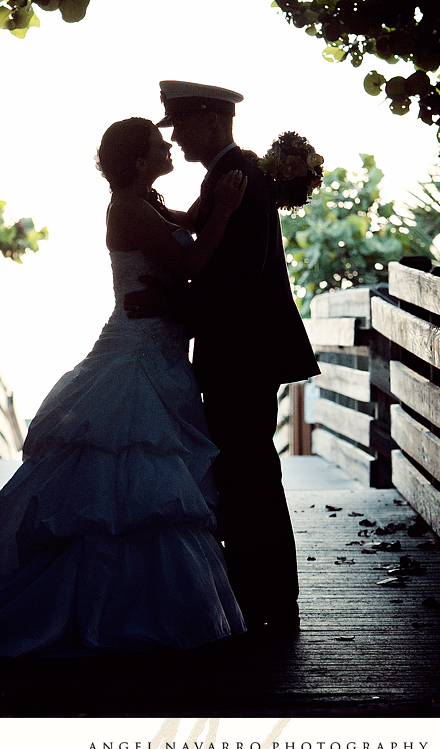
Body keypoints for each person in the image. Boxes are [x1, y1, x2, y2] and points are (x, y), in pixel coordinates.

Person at [0, 117, 248, 658]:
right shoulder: (130, 210)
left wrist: (230, 195)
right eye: (158, 143)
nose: (166, 144)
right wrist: (226, 210)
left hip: (157, 349)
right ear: (137, 160)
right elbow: (190, 261)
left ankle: (133, 602)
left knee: (140, 481)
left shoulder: (146, 203)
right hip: (137, 352)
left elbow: (189, 227)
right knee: (129, 479)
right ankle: (121, 609)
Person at [125, 81, 321, 633]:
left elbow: (236, 276)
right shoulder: (227, 176)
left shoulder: (238, 177)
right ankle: (259, 600)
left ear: (210, 121)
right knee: (244, 471)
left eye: (182, 126)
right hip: (242, 351)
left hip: (244, 353)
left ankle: (273, 607)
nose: (178, 138)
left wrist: (168, 300)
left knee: (250, 472)